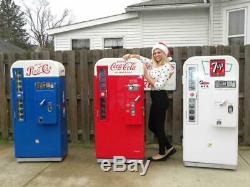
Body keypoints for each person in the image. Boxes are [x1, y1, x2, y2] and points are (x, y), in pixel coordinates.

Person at [123, 42, 176, 161]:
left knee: (158, 126)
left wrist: (146, 75)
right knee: (152, 126)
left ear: (164, 54)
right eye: (155, 53)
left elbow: (158, 85)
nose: (157, 54)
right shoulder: (153, 63)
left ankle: (163, 153)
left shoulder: (167, 66)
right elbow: (141, 58)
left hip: (160, 97)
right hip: (156, 98)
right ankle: (169, 147)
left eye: (159, 52)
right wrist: (130, 56)